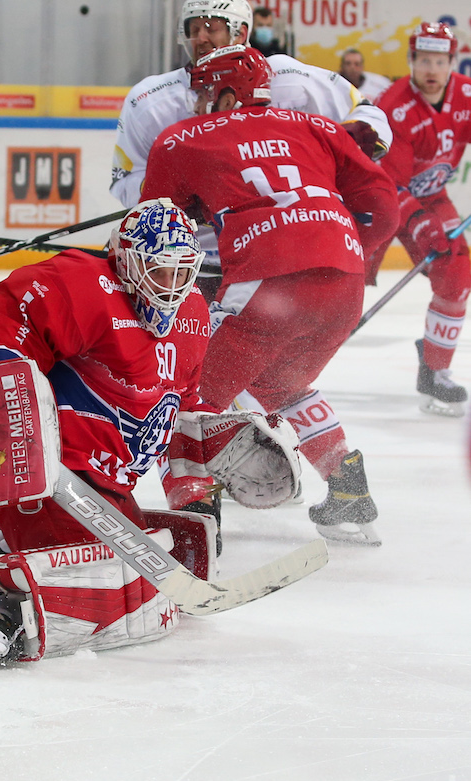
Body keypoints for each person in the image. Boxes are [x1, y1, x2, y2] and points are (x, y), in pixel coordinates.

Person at [0, 199, 301, 661]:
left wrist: (214, 439)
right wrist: (7, 402)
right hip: (45, 474)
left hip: (105, 487)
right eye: (160, 272)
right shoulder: (85, 285)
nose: (172, 287)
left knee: (133, 570)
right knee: (104, 581)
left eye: (183, 273)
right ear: (128, 261)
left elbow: (179, 405)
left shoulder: (192, 314)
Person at [140, 45, 399, 546]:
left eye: (202, 94)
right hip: (343, 285)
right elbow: (383, 207)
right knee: (280, 384)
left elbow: (153, 228)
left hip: (267, 284)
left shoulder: (181, 140)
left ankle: (196, 520)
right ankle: (348, 489)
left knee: (185, 395)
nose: (196, 106)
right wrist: (348, 253)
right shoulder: (317, 127)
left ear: (228, 93)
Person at [112, 0, 390, 215]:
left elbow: (369, 116)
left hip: (279, 237)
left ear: (241, 32)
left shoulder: (289, 77)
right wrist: (177, 197)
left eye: (211, 27)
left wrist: (343, 147)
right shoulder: (150, 99)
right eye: (193, 29)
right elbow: (125, 180)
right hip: (188, 254)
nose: (201, 38)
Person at [370, 22, 471, 417]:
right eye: (423, 60)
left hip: (431, 197)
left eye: (440, 61)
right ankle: (292, 354)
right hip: (375, 201)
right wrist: (423, 226)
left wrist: (430, 223)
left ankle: (435, 368)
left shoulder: (465, 93)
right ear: (411, 61)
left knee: (457, 270)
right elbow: (386, 183)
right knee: (338, 282)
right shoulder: (393, 106)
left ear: (451, 63)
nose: (431, 69)